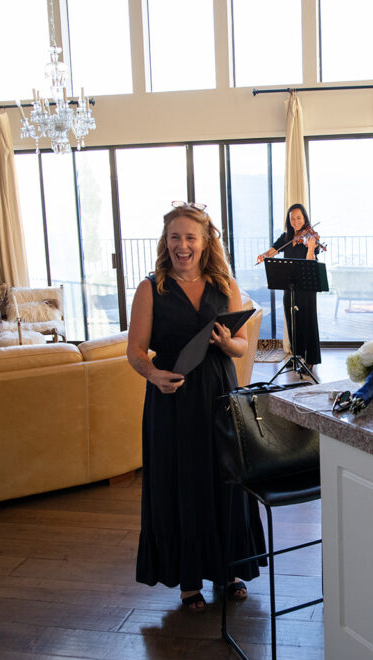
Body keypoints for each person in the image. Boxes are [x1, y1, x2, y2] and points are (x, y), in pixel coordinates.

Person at [127, 201, 265, 612]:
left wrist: (228, 343)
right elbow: (135, 352)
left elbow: (241, 346)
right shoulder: (151, 289)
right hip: (173, 399)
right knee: (181, 484)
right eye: (175, 237)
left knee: (225, 481)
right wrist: (153, 375)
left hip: (220, 397)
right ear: (165, 241)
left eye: (190, 237)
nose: (182, 246)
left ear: (205, 243)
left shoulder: (225, 286)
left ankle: (230, 570)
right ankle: (189, 581)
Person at [255, 203, 322, 369]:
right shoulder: (286, 237)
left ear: (305, 218)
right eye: (292, 218)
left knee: (308, 321)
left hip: (306, 285)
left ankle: (310, 359)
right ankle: (296, 355)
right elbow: (273, 250)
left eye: (299, 218)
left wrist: (311, 248)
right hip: (290, 285)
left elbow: (310, 263)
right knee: (292, 320)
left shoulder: (310, 237)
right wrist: (264, 255)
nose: (295, 221)